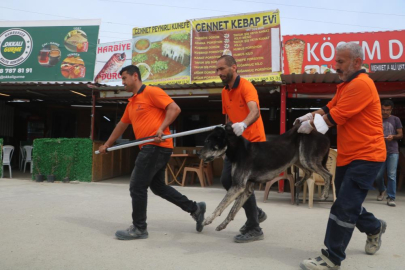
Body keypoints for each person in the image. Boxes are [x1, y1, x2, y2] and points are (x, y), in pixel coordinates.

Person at [295, 43, 387, 270]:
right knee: (347, 202)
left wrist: (311, 125)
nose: (335, 66)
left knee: (344, 206)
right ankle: (375, 227)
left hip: (367, 155)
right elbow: (327, 109)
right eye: (335, 61)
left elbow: (330, 120)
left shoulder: (362, 85)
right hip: (348, 155)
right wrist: (308, 115)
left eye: (340, 62)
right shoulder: (346, 85)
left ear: (356, 62)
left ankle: (332, 258)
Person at [98, 65, 206, 240]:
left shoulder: (152, 92)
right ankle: (195, 208)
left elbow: (174, 109)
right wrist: (107, 145)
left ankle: (139, 228)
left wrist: (162, 128)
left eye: (124, 78)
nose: (122, 82)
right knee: (158, 187)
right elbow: (121, 125)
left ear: (135, 76)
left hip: (155, 146)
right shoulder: (132, 102)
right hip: (151, 147)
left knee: (137, 185)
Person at [215, 55, 267, 243]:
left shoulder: (246, 86)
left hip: (252, 144)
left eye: (222, 69)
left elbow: (255, 111)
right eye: (217, 70)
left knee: (241, 184)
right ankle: (256, 212)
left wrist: (243, 125)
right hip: (235, 145)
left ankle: (254, 227)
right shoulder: (224, 92)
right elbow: (228, 119)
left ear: (234, 68)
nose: (219, 73)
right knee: (226, 180)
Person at [375, 99, 403, 206]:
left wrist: (394, 136)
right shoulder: (376, 119)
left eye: (387, 110)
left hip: (393, 151)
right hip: (379, 150)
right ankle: (382, 190)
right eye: (383, 109)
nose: (385, 112)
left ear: (391, 110)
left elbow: (401, 135)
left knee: (391, 175)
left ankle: (391, 197)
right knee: (377, 175)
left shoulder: (396, 119)